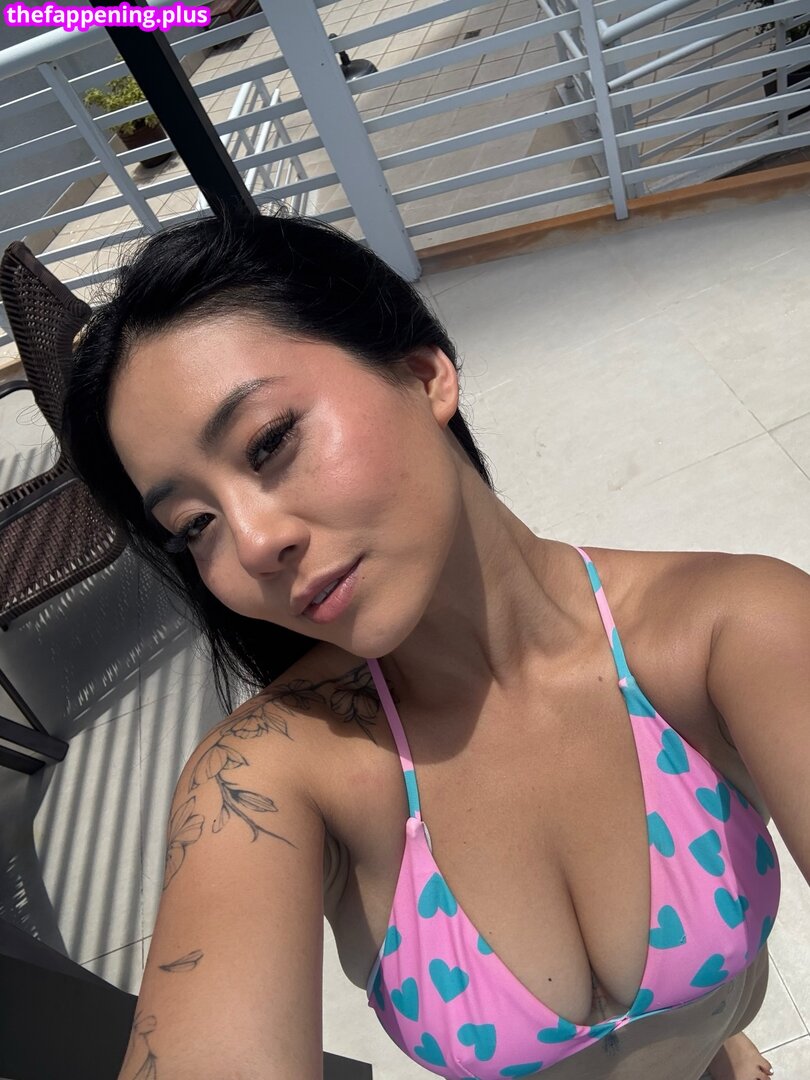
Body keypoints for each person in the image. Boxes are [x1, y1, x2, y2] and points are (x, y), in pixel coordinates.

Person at [62, 207, 809, 1080]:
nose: (254, 543)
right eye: (196, 525)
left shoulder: (728, 632)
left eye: (269, 442)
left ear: (424, 375)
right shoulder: (267, 779)